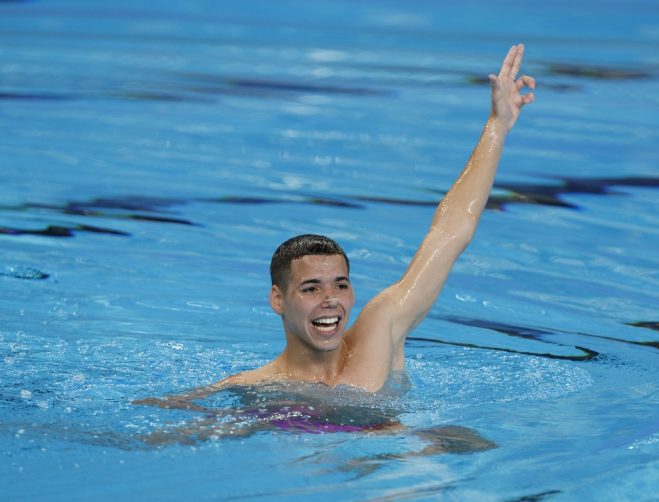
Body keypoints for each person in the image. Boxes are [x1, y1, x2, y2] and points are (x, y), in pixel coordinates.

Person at [136, 44, 535, 411]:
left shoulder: (381, 329)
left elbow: (450, 233)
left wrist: (496, 128)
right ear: (278, 300)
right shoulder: (257, 387)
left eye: (340, 285)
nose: (331, 300)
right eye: (311, 288)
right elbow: (171, 422)